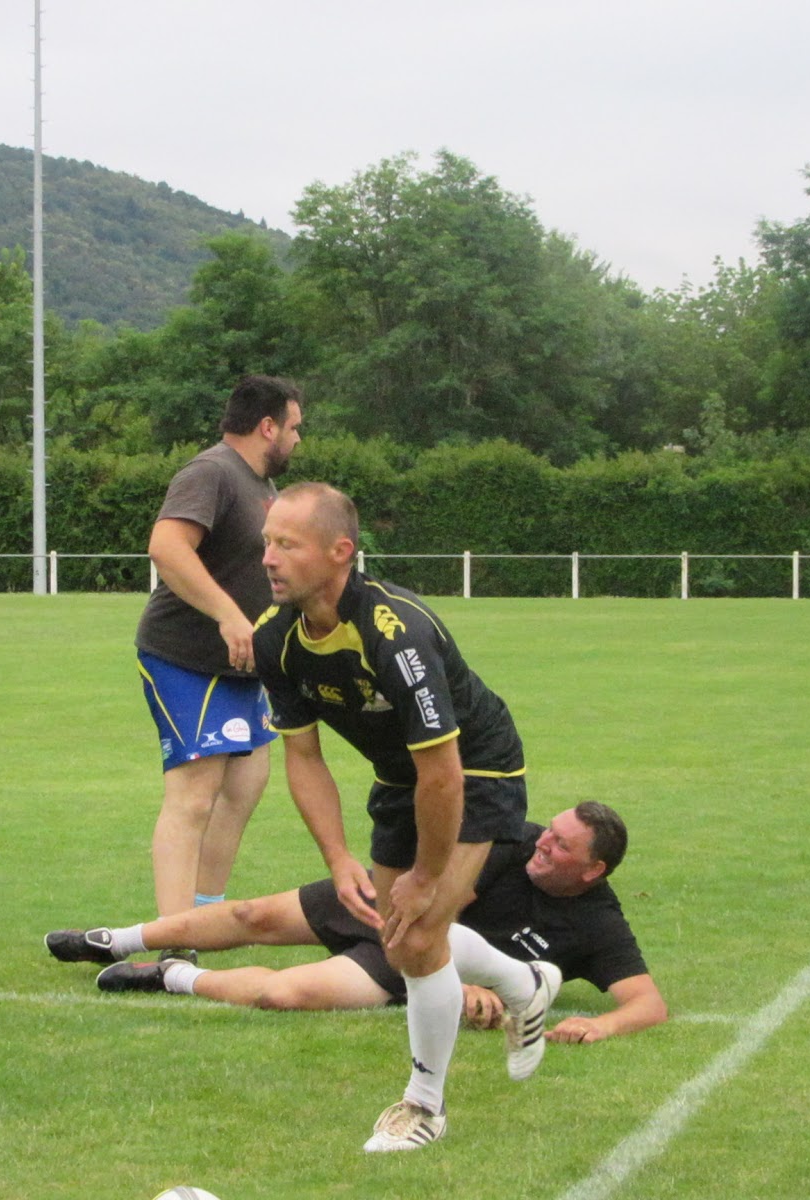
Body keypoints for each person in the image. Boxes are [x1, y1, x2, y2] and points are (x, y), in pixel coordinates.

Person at [237, 480, 559, 1152]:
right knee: (402, 939)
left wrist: (427, 875)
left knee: (418, 931)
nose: (267, 558)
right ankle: (524, 981)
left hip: (476, 769)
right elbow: (304, 758)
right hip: (399, 776)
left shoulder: (396, 632)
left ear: (340, 552)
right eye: (267, 542)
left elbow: (443, 772)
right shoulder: (274, 639)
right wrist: (337, 858)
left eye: (287, 545)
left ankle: (424, 1107)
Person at [45, 803, 667, 1046]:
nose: (543, 844)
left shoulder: (597, 924)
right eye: (551, 832)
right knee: (250, 915)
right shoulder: (513, 840)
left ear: (593, 871)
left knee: (283, 994)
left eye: (561, 847)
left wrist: (601, 1025)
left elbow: (648, 1003)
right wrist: (466, 982)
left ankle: (171, 977)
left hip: (406, 961)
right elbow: (446, 899)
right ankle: (116, 939)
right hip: (390, 903)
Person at [135, 376, 304, 937]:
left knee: (243, 790)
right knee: (193, 797)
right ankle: (172, 938)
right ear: (267, 427)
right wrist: (228, 615)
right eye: (294, 428)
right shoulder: (210, 472)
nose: (297, 440)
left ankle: (204, 918)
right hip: (185, 658)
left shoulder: (262, 486)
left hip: (244, 669)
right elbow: (166, 547)